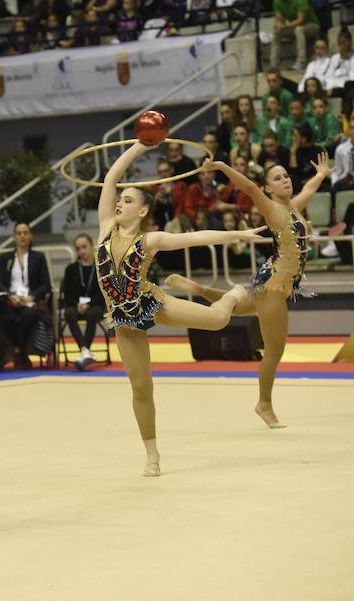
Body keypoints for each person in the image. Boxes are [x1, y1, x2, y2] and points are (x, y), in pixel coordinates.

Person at [94, 140, 263, 478]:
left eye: (128, 200)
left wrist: (238, 233)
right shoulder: (104, 230)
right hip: (124, 318)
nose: (120, 203)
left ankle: (231, 293)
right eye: (121, 199)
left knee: (217, 320)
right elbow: (111, 178)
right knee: (141, 386)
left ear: (142, 211)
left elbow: (197, 237)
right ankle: (152, 454)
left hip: (151, 302)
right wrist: (141, 147)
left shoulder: (150, 240)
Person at [168, 153, 333, 430]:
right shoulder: (272, 209)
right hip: (274, 287)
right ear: (268, 188)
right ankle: (264, 403)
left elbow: (308, 190)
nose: (285, 180)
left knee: (240, 308)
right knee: (274, 351)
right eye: (277, 178)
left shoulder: (292, 207)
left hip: (274, 280)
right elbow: (249, 188)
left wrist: (320, 175)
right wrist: (220, 166)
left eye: (285, 176)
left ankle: (199, 289)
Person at [0, 222, 52, 370]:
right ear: (14, 237)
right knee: (5, 317)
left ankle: (18, 351)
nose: (22, 236)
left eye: (25, 233)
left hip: (29, 301)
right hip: (10, 301)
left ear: (31, 236)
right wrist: (10, 296)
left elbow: (46, 285)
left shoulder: (38, 257)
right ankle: (21, 352)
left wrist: (32, 297)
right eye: (19, 233)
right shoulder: (5, 257)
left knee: (28, 316)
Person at [62, 233, 105, 367]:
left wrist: (89, 304)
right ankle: (85, 350)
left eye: (84, 247)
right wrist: (77, 305)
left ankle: (84, 350)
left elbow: (102, 293)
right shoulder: (71, 269)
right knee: (68, 313)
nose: (82, 251)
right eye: (78, 248)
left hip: (95, 305)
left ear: (92, 246)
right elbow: (67, 293)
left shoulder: (101, 268)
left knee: (93, 313)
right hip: (76, 305)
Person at [270, 0, 318, 70]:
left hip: (312, 26)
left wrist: (285, 26)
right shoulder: (277, 2)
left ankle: (301, 61)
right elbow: (279, 18)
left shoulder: (300, 1)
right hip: (294, 28)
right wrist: (279, 25)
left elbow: (300, 19)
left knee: (298, 29)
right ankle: (273, 63)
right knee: (277, 32)